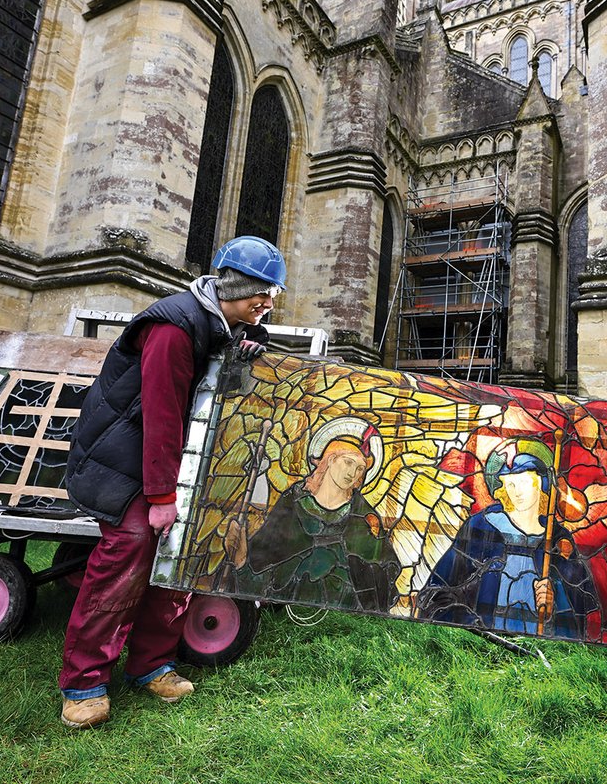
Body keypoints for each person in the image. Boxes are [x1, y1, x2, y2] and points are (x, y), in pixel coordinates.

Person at [57, 236, 287, 729]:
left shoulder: (223, 321)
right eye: (262, 292)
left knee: (184, 552)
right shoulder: (172, 326)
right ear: (235, 286)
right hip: (124, 459)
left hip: (171, 459)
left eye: (274, 294)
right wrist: (162, 498)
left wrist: (251, 343)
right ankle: (84, 682)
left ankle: (150, 664)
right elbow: (160, 416)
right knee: (133, 548)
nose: (268, 303)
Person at [419, 439, 598, 638]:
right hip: (481, 643)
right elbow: (438, 591)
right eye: (510, 483)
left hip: (536, 652)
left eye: (523, 482)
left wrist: (555, 600)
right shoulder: (483, 526)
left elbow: (582, 604)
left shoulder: (556, 538)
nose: (517, 491)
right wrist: (473, 627)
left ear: (541, 483)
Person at [228, 424, 401, 612]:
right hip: (289, 598)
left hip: (344, 607)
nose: (353, 473)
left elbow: (384, 569)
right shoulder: (293, 502)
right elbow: (265, 560)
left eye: (360, 468)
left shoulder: (364, 517)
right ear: (330, 460)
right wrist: (242, 561)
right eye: (348, 462)